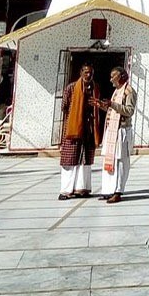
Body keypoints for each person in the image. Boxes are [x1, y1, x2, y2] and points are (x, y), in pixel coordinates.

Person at [59, 64, 101, 200]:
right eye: (86, 72)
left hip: (88, 128)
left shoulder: (95, 88)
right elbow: (64, 106)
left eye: (91, 72)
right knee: (69, 159)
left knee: (85, 159)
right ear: (81, 72)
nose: (89, 75)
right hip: (73, 128)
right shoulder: (71, 88)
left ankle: (81, 188)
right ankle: (66, 190)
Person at [97, 66, 137, 204]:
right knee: (110, 160)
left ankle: (118, 191)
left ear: (121, 77)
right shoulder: (116, 91)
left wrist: (112, 104)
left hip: (122, 130)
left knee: (120, 162)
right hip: (111, 130)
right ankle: (108, 189)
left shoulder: (128, 91)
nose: (110, 79)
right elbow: (112, 109)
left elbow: (129, 111)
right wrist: (101, 105)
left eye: (113, 76)